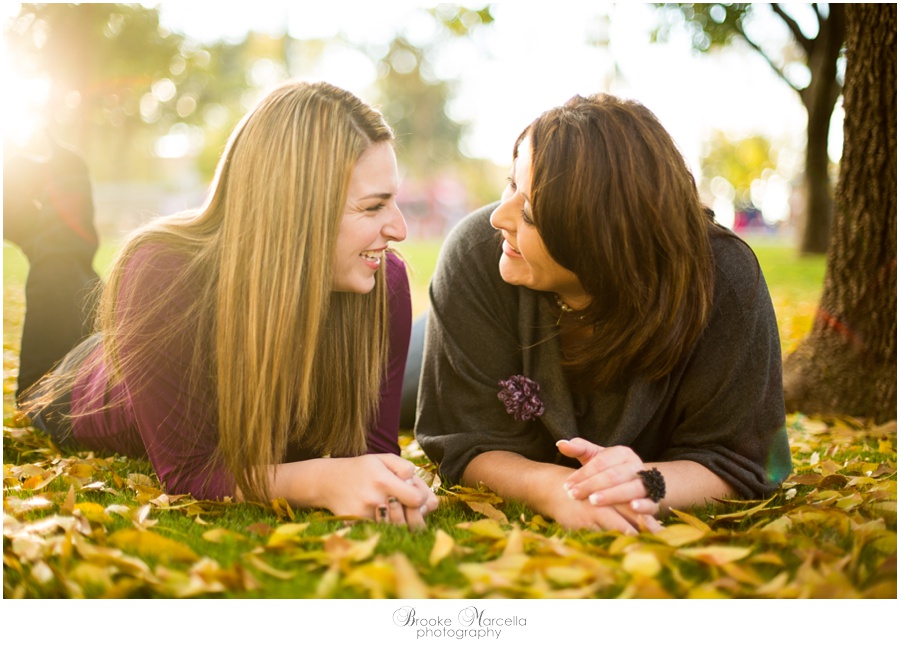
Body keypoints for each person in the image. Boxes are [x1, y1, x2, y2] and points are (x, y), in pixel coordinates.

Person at [23, 81, 437, 528]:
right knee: (62, 263)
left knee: (77, 275)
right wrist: (322, 480)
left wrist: (394, 489)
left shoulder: (383, 285)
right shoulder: (163, 270)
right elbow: (188, 472)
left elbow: (372, 452)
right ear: (298, 209)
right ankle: (46, 205)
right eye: (374, 207)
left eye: (394, 202)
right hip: (74, 383)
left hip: (141, 342)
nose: (399, 229)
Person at [415, 93, 791, 534]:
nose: (500, 215)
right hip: (449, 335)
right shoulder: (477, 253)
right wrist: (552, 486)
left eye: (531, 214)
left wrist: (644, 484)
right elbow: (462, 439)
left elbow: (746, 460)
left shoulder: (723, 282)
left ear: (601, 246)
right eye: (511, 183)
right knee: (387, 380)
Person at [4, 134, 101, 401]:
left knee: (60, 258)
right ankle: (28, 223)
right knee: (67, 261)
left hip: (53, 396)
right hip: (60, 395)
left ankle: (25, 223)